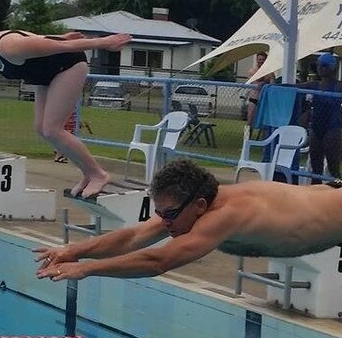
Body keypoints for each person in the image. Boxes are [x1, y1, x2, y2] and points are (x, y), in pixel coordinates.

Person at [34, 159, 342, 281]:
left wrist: (85, 269)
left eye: (168, 215)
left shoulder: (226, 215)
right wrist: (74, 251)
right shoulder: (189, 209)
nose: (163, 222)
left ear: (199, 205)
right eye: (161, 214)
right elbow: (134, 237)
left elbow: (158, 261)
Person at [0, 23, 131, 198]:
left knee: (52, 129)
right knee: (41, 128)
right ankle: (88, 173)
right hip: (46, 74)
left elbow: (58, 46)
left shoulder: (8, 46)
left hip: (68, 66)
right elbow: (36, 38)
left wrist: (104, 43)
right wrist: (62, 36)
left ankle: (98, 174)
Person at [297, 53, 342, 183]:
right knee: (316, 169)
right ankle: (315, 195)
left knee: (334, 168)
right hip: (316, 129)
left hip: (333, 129)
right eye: (318, 65)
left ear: (332, 68)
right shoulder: (314, 85)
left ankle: (337, 196)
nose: (320, 68)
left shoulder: (339, 86)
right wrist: (268, 87)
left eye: (323, 65)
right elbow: (294, 87)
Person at [245, 52, 275, 139]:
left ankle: (264, 141)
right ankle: (246, 141)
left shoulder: (270, 72)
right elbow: (255, 83)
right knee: (249, 121)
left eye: (263, 60)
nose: (261, 62)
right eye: (259, 60)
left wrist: (264, 83)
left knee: (266, 122)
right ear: (256, 60)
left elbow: (272, 84)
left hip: (265, 100)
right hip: (254, 99)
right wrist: (263, 82)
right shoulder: (252, 71)